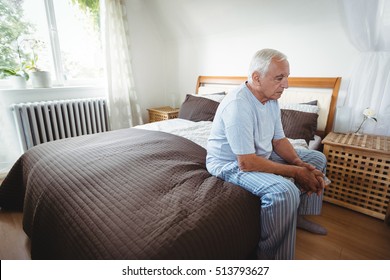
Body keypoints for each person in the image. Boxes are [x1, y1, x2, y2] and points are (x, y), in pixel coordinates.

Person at [206, 48, 328, 260]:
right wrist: (297, 173)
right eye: (279, 78)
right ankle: (270, 258)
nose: (286, 85)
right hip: (230, 162)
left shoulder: (271, 99)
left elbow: (279, 140)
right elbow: (246, 162)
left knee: (317, 158)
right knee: (285, 191)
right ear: (256, 78)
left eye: (287, 77)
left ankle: (298, 215)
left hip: (258, 155)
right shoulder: (238, 105)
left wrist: (300, 163)